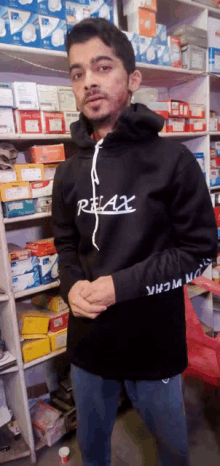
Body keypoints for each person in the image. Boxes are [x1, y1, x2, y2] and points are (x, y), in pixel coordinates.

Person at [52, 17, 217, 466]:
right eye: (78, 72)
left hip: (155, 346)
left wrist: (118, 286)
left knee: (173, 453)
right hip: (88, 348)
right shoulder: (67, 171)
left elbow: (200, 250)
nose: (89, 82)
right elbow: (65, 245)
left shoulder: (173, 162)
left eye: (102, 67)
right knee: (95, 451)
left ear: (133, 78)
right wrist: (70, 289)